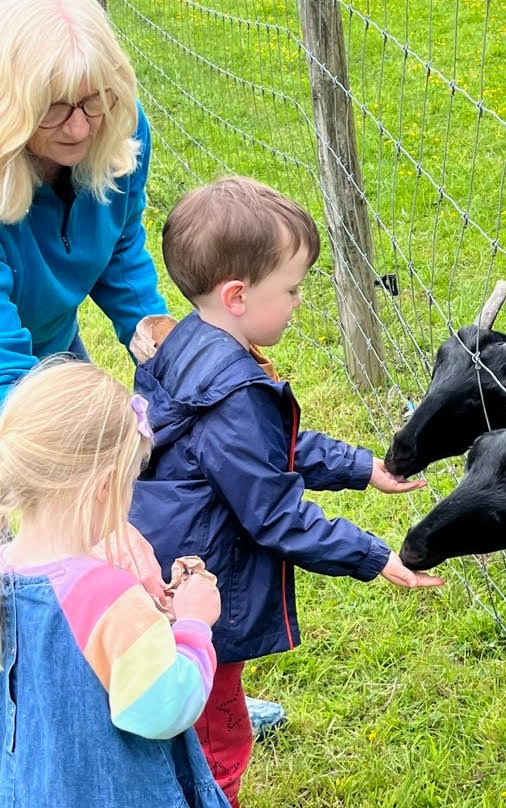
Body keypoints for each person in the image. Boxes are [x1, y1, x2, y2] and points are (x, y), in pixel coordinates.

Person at [130, 175, 444, 807]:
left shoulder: (186, 344)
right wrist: (372, 554)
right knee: (218, 737)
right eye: (292, 289)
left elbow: (256, 452)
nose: (299, 302)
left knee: (191, 715)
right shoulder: (237, 390)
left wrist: (362, 467)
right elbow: (272, 511)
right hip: (202, 584)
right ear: (239, 295)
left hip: (162, 563)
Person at [0, 359, 228, 807]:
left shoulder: (8, 570)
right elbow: (162, 706)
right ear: (105, 486)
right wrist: (195, 625)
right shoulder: (107, 596)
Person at [0, 0, 175, 404]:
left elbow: (117, 245)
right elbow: (6, 372)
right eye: (53, 108)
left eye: (93, 99)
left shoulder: (119, 126)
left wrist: (163, 356)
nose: (79, 129)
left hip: (53, 343)